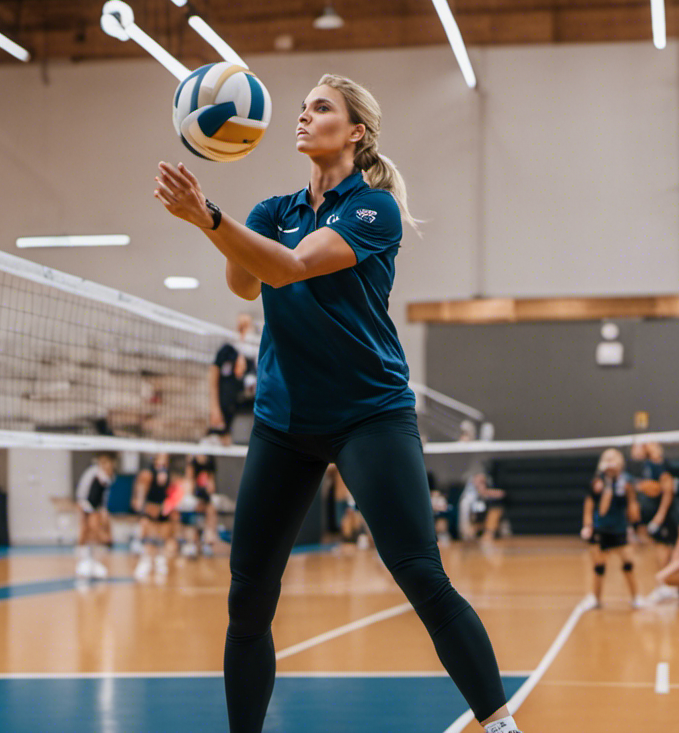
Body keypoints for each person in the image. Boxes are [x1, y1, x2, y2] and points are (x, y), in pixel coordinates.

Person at [152, 74, 519, 733]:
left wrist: (209, 217)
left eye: (321, 108)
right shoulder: (272, 210)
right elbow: (245, 282)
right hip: (285, 422)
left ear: (355, 132)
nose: (303, 116)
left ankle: (499, 725)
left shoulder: (373, 208)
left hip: (368, 414)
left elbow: (292, 267)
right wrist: (215, 224)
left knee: (419, 574)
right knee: (248, 598)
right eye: (301, 107)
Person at [580, 448, 642, 609]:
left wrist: (634, 524)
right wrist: (587, 525)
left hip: (620, 528)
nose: (611, 461)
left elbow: (632, 506)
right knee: (599, 565)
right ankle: (595, 598)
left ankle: (636, 597)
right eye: (608, 458)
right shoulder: (597, 482)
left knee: (628, 564)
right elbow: (591, 505)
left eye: (613, 458)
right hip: (601, 528)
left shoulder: (627, 481)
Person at [631, 441, 679, 602]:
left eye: (651, 444)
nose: (647, 445)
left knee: (666, 549)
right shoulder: (647, 465)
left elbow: (667, 492)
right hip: (656, 513)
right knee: (661, 548)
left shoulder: (662, 466)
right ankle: (673, 586)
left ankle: (669, 586)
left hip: (668, 516)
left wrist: (660, 516)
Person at [209, 314, 257, 445]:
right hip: (222, 411)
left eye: (247, 325)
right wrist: (214, 408)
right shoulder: (226, 350)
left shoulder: (252, 357)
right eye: (241, 325)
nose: (244, 329)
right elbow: (213, 378)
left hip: (239, 414)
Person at [134, 452, 176, 579]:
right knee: (149, 537)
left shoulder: (169, 474)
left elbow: (172, 491)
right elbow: (141, 490)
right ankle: (145, 561)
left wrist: (169, 505)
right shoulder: (148, 473)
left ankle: (160, 561)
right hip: (151, 508)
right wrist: (142, 504)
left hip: (163, 508)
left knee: (163, 537)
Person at [74, 452, 116, 579]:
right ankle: (83, 562)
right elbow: (83, 489)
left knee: (97, 531)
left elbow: (104, 496)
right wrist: (82, 505)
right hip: (86, 504)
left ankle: (94, 562)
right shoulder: (92, 472)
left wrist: (103, 509)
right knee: (85, 531)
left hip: (96, 508)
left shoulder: (109, 478)